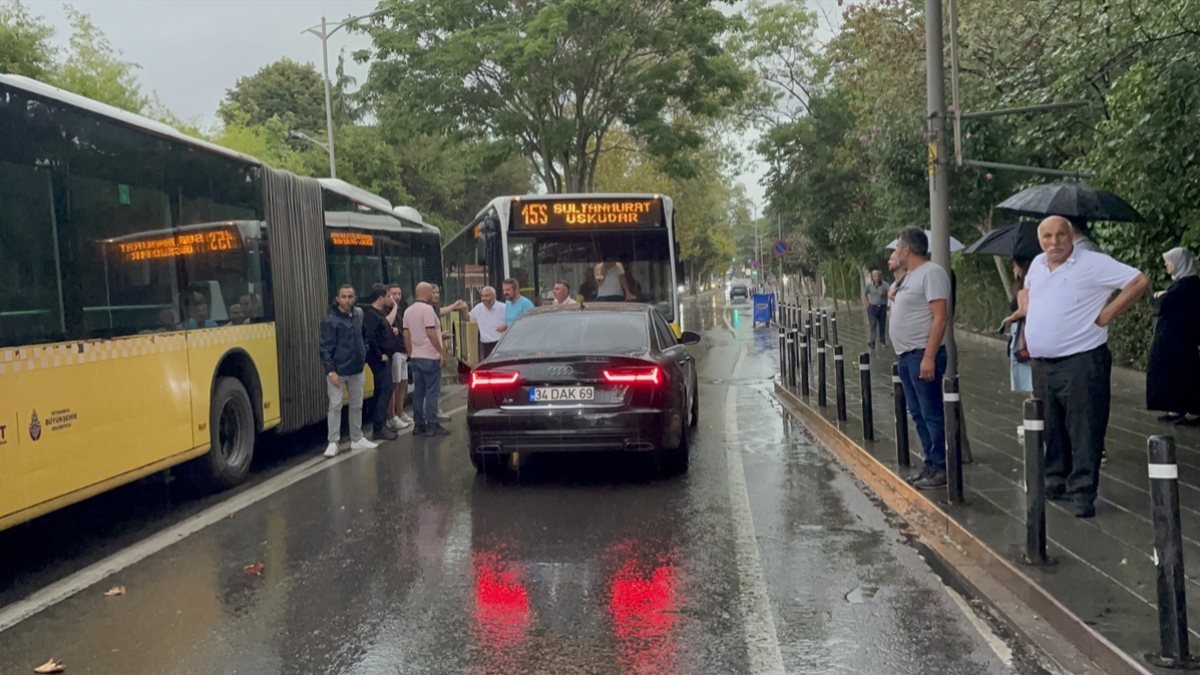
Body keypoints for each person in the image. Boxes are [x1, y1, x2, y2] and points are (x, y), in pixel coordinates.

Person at [1025, 216, 1148, 518]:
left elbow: (1139, 280)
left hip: (1081, 359)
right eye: (1047, 236)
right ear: (1039, 240)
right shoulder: (1038, 264)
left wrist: (1107, 313)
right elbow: (1026, 289)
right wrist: (1028, 313)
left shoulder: (1092, 262)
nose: (1054, 242)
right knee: (1052, 426)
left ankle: (1082, 491)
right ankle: (1056, 480)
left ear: (1072, 235)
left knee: (1083, 427)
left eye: (1060, 235)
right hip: (1043, 362)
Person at [889, 227, 951, 490]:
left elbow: (939, 317)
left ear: (907, 249)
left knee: (930, 412)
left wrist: (929, 356)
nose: (895, 252)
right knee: (917, 413)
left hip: (921, 355)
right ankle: (929, 462)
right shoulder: (910, 276)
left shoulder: (932, 273)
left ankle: (940, 466)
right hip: (906, 355)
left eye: (897, 248)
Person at [320, 285, 376, 457]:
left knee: (357, 404)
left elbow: (365, 336)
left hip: (357, 369)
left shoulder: (358, 315)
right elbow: (325, 347)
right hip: (338, 371)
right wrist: (330, 371)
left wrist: (363, 353)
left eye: (350, 296)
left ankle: (357, 438)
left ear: (355, 297)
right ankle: (333, 442)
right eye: (343, 296)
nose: (347, 300)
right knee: (335, 406)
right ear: (337, 299)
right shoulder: (330, 321)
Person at [1146, 247, 1200, 425]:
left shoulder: (1188, 285)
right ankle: (1176, 407)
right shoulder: (1184, 283)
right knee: (1174, 373)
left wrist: (1161, 296)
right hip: (1175, 337)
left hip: (1180, 338)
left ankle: (1188, 409)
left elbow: (1164, 305)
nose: (1166, 265)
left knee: (1181, 372)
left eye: (1169, 261)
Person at [403, 282, 449, 436]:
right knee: (432, 392)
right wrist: (441, 352)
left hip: (416, 356)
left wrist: (411, 352)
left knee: (419, 392)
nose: (433, 295)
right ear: (426, 293)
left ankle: (418, 424)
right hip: (429, 356)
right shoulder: (428, 310)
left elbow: (406, 334)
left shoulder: (408, 311)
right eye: (431, 292)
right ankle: (432, 424)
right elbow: (430, 332)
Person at [364, 283, 403, 441]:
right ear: (381, 297)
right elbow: (371, 338)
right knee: (383, 391)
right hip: (380, 361)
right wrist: (380, 355)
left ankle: (382, 425)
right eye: (388, 296)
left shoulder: (378, 314)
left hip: (386, 357)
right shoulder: (371, 316)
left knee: (385, 391)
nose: (391, 299)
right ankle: (378, 428)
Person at [1000, 258, 1034, 395]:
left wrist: (1011, 318)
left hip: (1025, 337)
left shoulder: (1023, 289)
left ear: (1020, 269)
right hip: (1027, 335)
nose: (1013, 270)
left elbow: (1023, 310)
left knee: (1031, 380)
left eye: (1014, 266)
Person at [385, 284, 413, 431]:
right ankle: (392, 416)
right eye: (393, 294)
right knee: (394, 385)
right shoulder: (387, 310)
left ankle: (401, 412)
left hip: (402, 352)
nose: (396, 297)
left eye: (399, 293)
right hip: (394, 352)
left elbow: (405, 330)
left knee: (403, 383)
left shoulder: (402, 310)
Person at [469, 285, 506, 359]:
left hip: (501, 344)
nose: (484, 298)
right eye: (482, 296)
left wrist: (506, 326)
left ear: (494, 296)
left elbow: (514, 322)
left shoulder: (504, 308)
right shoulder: (478, 308)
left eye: (487, 296)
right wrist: (464, 310)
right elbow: (469, 319)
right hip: (486, 346)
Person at [863, 269, 888, 349]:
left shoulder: (885, 285)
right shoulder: (869, 285)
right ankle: (872, 341)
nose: (876, 277)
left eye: (877, 276)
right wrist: (867, 304)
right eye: (874, 276)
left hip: (882, 307)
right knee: (872, 325)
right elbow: (865, 294)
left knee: (882, 325)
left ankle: (882, 341)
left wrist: (888, 303)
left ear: (880, 276)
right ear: (872, 277)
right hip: (872, 308)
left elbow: (890, 292)